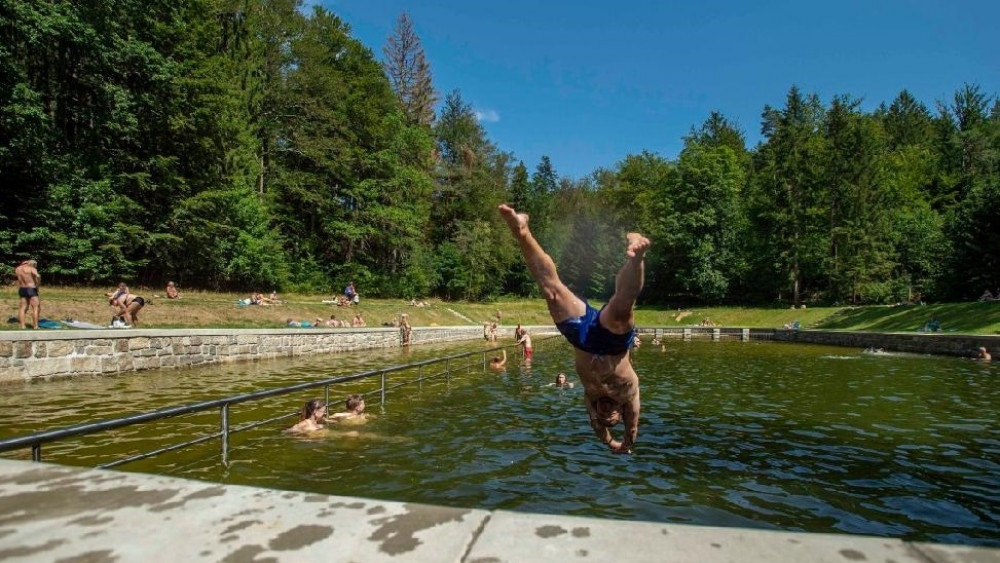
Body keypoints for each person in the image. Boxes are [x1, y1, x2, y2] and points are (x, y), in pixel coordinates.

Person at [499, 203, 649, 454]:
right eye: (611, 416)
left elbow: (597, 427)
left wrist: (606, 439)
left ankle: (522, 231)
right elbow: (632, 430)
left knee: (552, 291)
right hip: (614, 343)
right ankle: (636, 256)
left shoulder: (591, 399)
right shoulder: (628, 395)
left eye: (602, 417)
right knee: (624, 303)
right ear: (620, 414)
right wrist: (622, 444)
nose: (605, 413)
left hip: (582, 340)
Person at [15, 259, 41, 329]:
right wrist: (37, 286)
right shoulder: (31, 268)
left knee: (23, 308)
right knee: (36, 307)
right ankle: (35, 326)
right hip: (31, 289)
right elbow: (38, 276)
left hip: (22, 289)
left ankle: (23, 326)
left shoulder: (17, 269)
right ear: (33, 264)